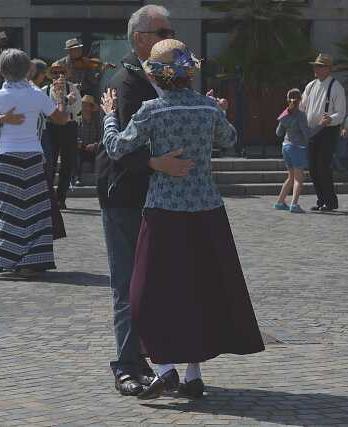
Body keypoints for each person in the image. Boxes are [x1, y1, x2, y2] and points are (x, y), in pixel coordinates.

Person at [101, 38, 264, 400]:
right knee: (199, 290)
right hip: (207, 211)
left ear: (157, 75)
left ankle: (164, 369)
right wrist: (217, 109)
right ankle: (193, 375)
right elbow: (231, 139)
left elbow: (116, 147)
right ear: (189, 73)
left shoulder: (152, 110)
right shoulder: (208, 109)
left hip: (165, 212)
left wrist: (109, 115)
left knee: (147, 293)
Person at [96, 4, 208, 397]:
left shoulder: (170, 77)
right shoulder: (122, 81)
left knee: (167, 282)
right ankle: (128, 365)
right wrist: (154, 161)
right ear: (141, 38)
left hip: (167, 198)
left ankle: (169, 362)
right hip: (126, 194)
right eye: (163, 31)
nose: (171, 36)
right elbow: (120, 148)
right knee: (128, 284)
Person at [0, 49, 69, 278]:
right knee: (34, 210)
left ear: (2, 71)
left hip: (6, 157)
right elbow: (62, 119)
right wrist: (60, 97)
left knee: (2, 209)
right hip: (33, 156)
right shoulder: (36, 95)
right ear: (27, 70)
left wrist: (0, 119)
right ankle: (32, 262)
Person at [300, 53, 346, 212]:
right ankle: (321, 200)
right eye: (315, 66)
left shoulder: (336, 87)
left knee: (322, 166)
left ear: (328, 69)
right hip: (312, 131)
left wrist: (330, 119)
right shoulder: (310, 85)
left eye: (319, 66)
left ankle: (330, 202)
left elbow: (340, 113)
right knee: (313, 168)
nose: (316, 69)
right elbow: (302, 106)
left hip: (328, 131)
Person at [42, 61, 82, 209]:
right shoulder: (44, 90)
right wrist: (65, 101)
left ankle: (61, 198)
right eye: (55, 73)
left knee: (68, 163)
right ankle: (49, 198)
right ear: (51, 75)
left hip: (69, 127)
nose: (59, 76)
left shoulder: (72, 88)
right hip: (51, 128)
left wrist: (67, 104)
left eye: (62, 73)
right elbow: (47, 110)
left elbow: (78, 109)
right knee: (49, 164)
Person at [274, 88, 316, 214]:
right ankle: (294, 204)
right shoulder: (301, 115)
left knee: (291, 177)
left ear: (288, 100)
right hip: (297, 148)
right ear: (300, 100)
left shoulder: (285, 114)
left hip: (285, 146)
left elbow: (278, 133)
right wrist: (321, 125)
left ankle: (280, 202)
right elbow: (307, 134)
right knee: (299, 178)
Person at [74, 94, 100, 186]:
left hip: (93, 148)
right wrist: (79, 143)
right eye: (83, 106)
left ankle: (100, 179)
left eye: (87, 106)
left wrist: (95, 145)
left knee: (102, 152)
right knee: (76, 154)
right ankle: (77, 177)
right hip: (81, 147)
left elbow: (100, 137)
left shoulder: (96, 122)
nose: (85, 108)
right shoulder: (77, 120)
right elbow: (73, 136)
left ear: (91, 107)